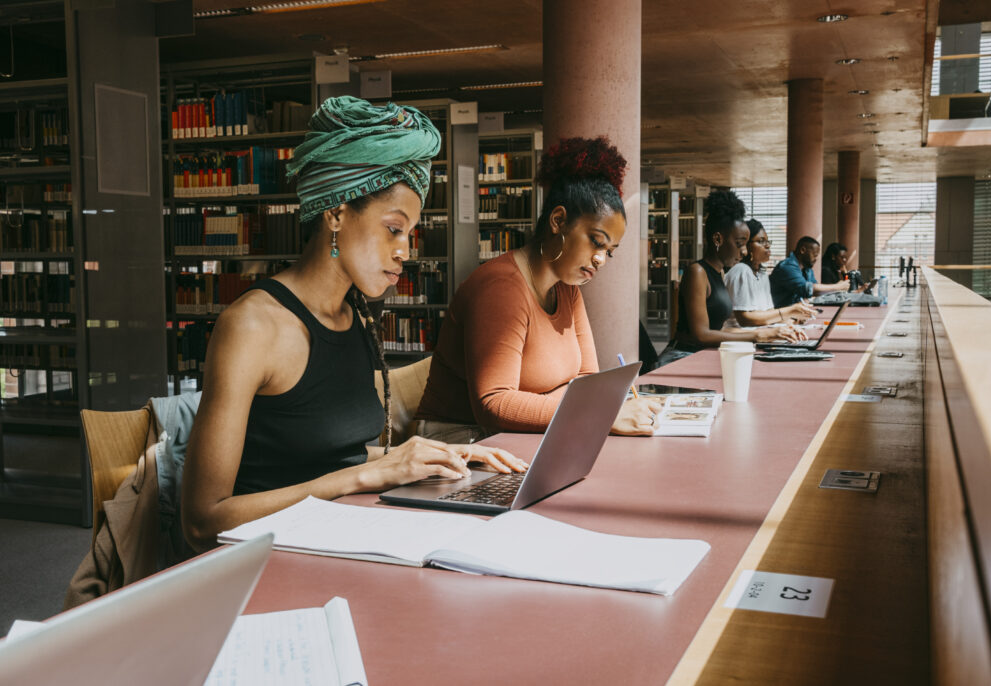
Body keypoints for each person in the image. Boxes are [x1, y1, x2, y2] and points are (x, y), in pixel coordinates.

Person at [181, 96, 525, 551]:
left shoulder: (354, 314)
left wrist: (426, 457)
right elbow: (203, 521)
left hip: (340, 537)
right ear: (337, 213)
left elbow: (328, 453)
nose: (406, 250)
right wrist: (362, 475)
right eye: (393, 228)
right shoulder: (252, 327)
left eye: (411, 234)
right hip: (264, 561)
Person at [415, 137, 661, 439]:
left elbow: (586, 379)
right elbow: (495, 404)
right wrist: (596, 413)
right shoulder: (501, 289)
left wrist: (575, 405)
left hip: (521, 435)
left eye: (609, 251)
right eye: (596, 242)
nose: (601, 260)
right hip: (459, 440)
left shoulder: (567, 287)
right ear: (558, 220)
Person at [657, 191, 803, 368]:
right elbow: (701, 335)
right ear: (718, 239)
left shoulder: (719, 273)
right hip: (681, 357)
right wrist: (759, 336)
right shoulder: (697, 272)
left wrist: (770, 331)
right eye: (739, 244)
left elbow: (718, 330)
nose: (744, 252)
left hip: (703, 354)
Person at [724, 219, 815, 328]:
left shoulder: (762, 274)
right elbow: (745, 319)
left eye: (767, 241)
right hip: (738, 339)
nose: (767, 246)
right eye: (761, 241)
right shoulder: (741, 271)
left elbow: (769, 312)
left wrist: (791, 320)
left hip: (760, 334)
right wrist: (790, 311)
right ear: (747, 245)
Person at [769, 236, 851, 307]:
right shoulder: (787, 266)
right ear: (803, 250)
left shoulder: (807, 269)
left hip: (796, 312)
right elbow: (808, 289)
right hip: (780, 314)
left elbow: (816, 291)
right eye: (814, 255)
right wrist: (838, 286)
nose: (816, 259)